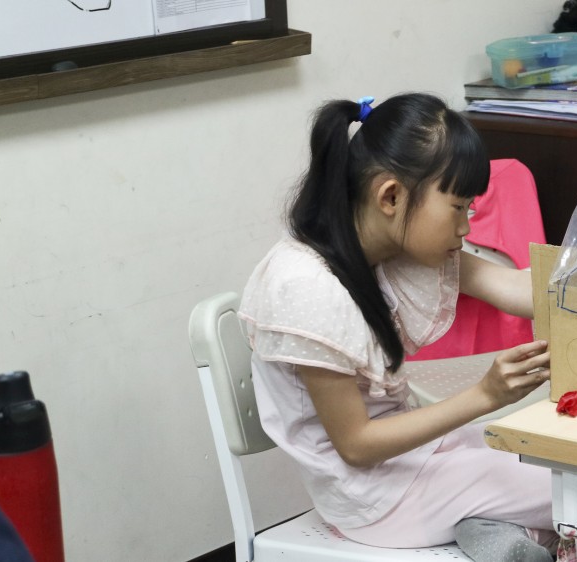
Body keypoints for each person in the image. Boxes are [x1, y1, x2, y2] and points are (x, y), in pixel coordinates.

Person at [237, 93, 556, 562]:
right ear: (390, 196)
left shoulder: (388, 247)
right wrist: (486, 395)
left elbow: (515, 287)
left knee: (558, 457)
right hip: (374, 497)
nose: (466, 227)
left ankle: (496, 529)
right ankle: (497, 525)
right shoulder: (306, 289)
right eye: (458, 207)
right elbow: (357, 446)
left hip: (416, 459)